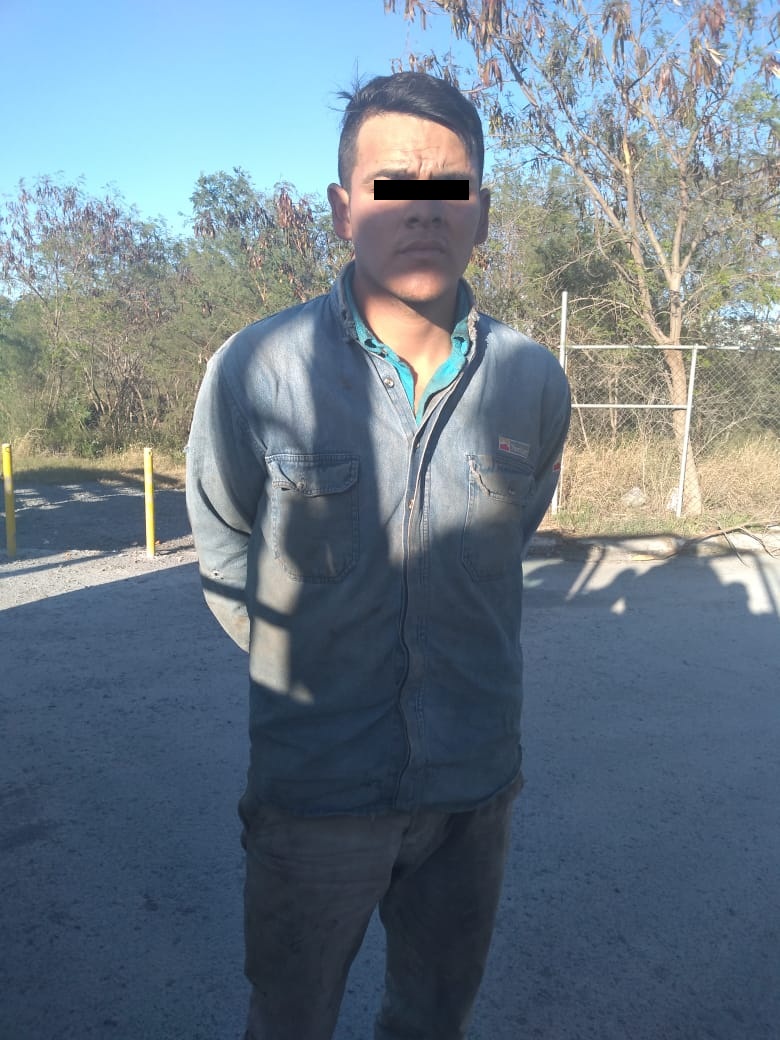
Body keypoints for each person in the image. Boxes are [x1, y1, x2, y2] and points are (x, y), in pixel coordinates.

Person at [185, 71, 570, 1040]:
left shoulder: (532, 380)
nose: (423, 210)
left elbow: (512, 532)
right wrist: (304, 672)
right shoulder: (258, 370)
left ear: (482, 213)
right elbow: (225, 547)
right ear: (343, 209)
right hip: (315, 793)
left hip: (473, 784)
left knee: (434, 1017)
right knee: (290, 1018)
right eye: (393, 183)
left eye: (449, 186)